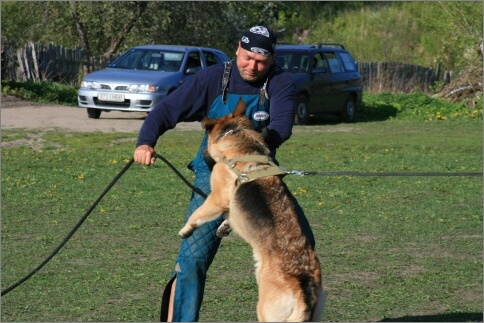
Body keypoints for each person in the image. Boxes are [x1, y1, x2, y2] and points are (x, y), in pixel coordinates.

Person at [133, 25, 315, 321]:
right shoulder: (213, 78)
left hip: (260, 173)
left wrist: (246, 151)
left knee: (304, 243)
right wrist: (145, 143)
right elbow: (166, 110)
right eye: (247, 58)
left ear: (271, 60)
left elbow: (281, 127)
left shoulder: (280, 82)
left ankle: (293, 312)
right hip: (213, 175)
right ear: (237, 50)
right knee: (192, 260)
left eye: (260, 61)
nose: (252, 66)